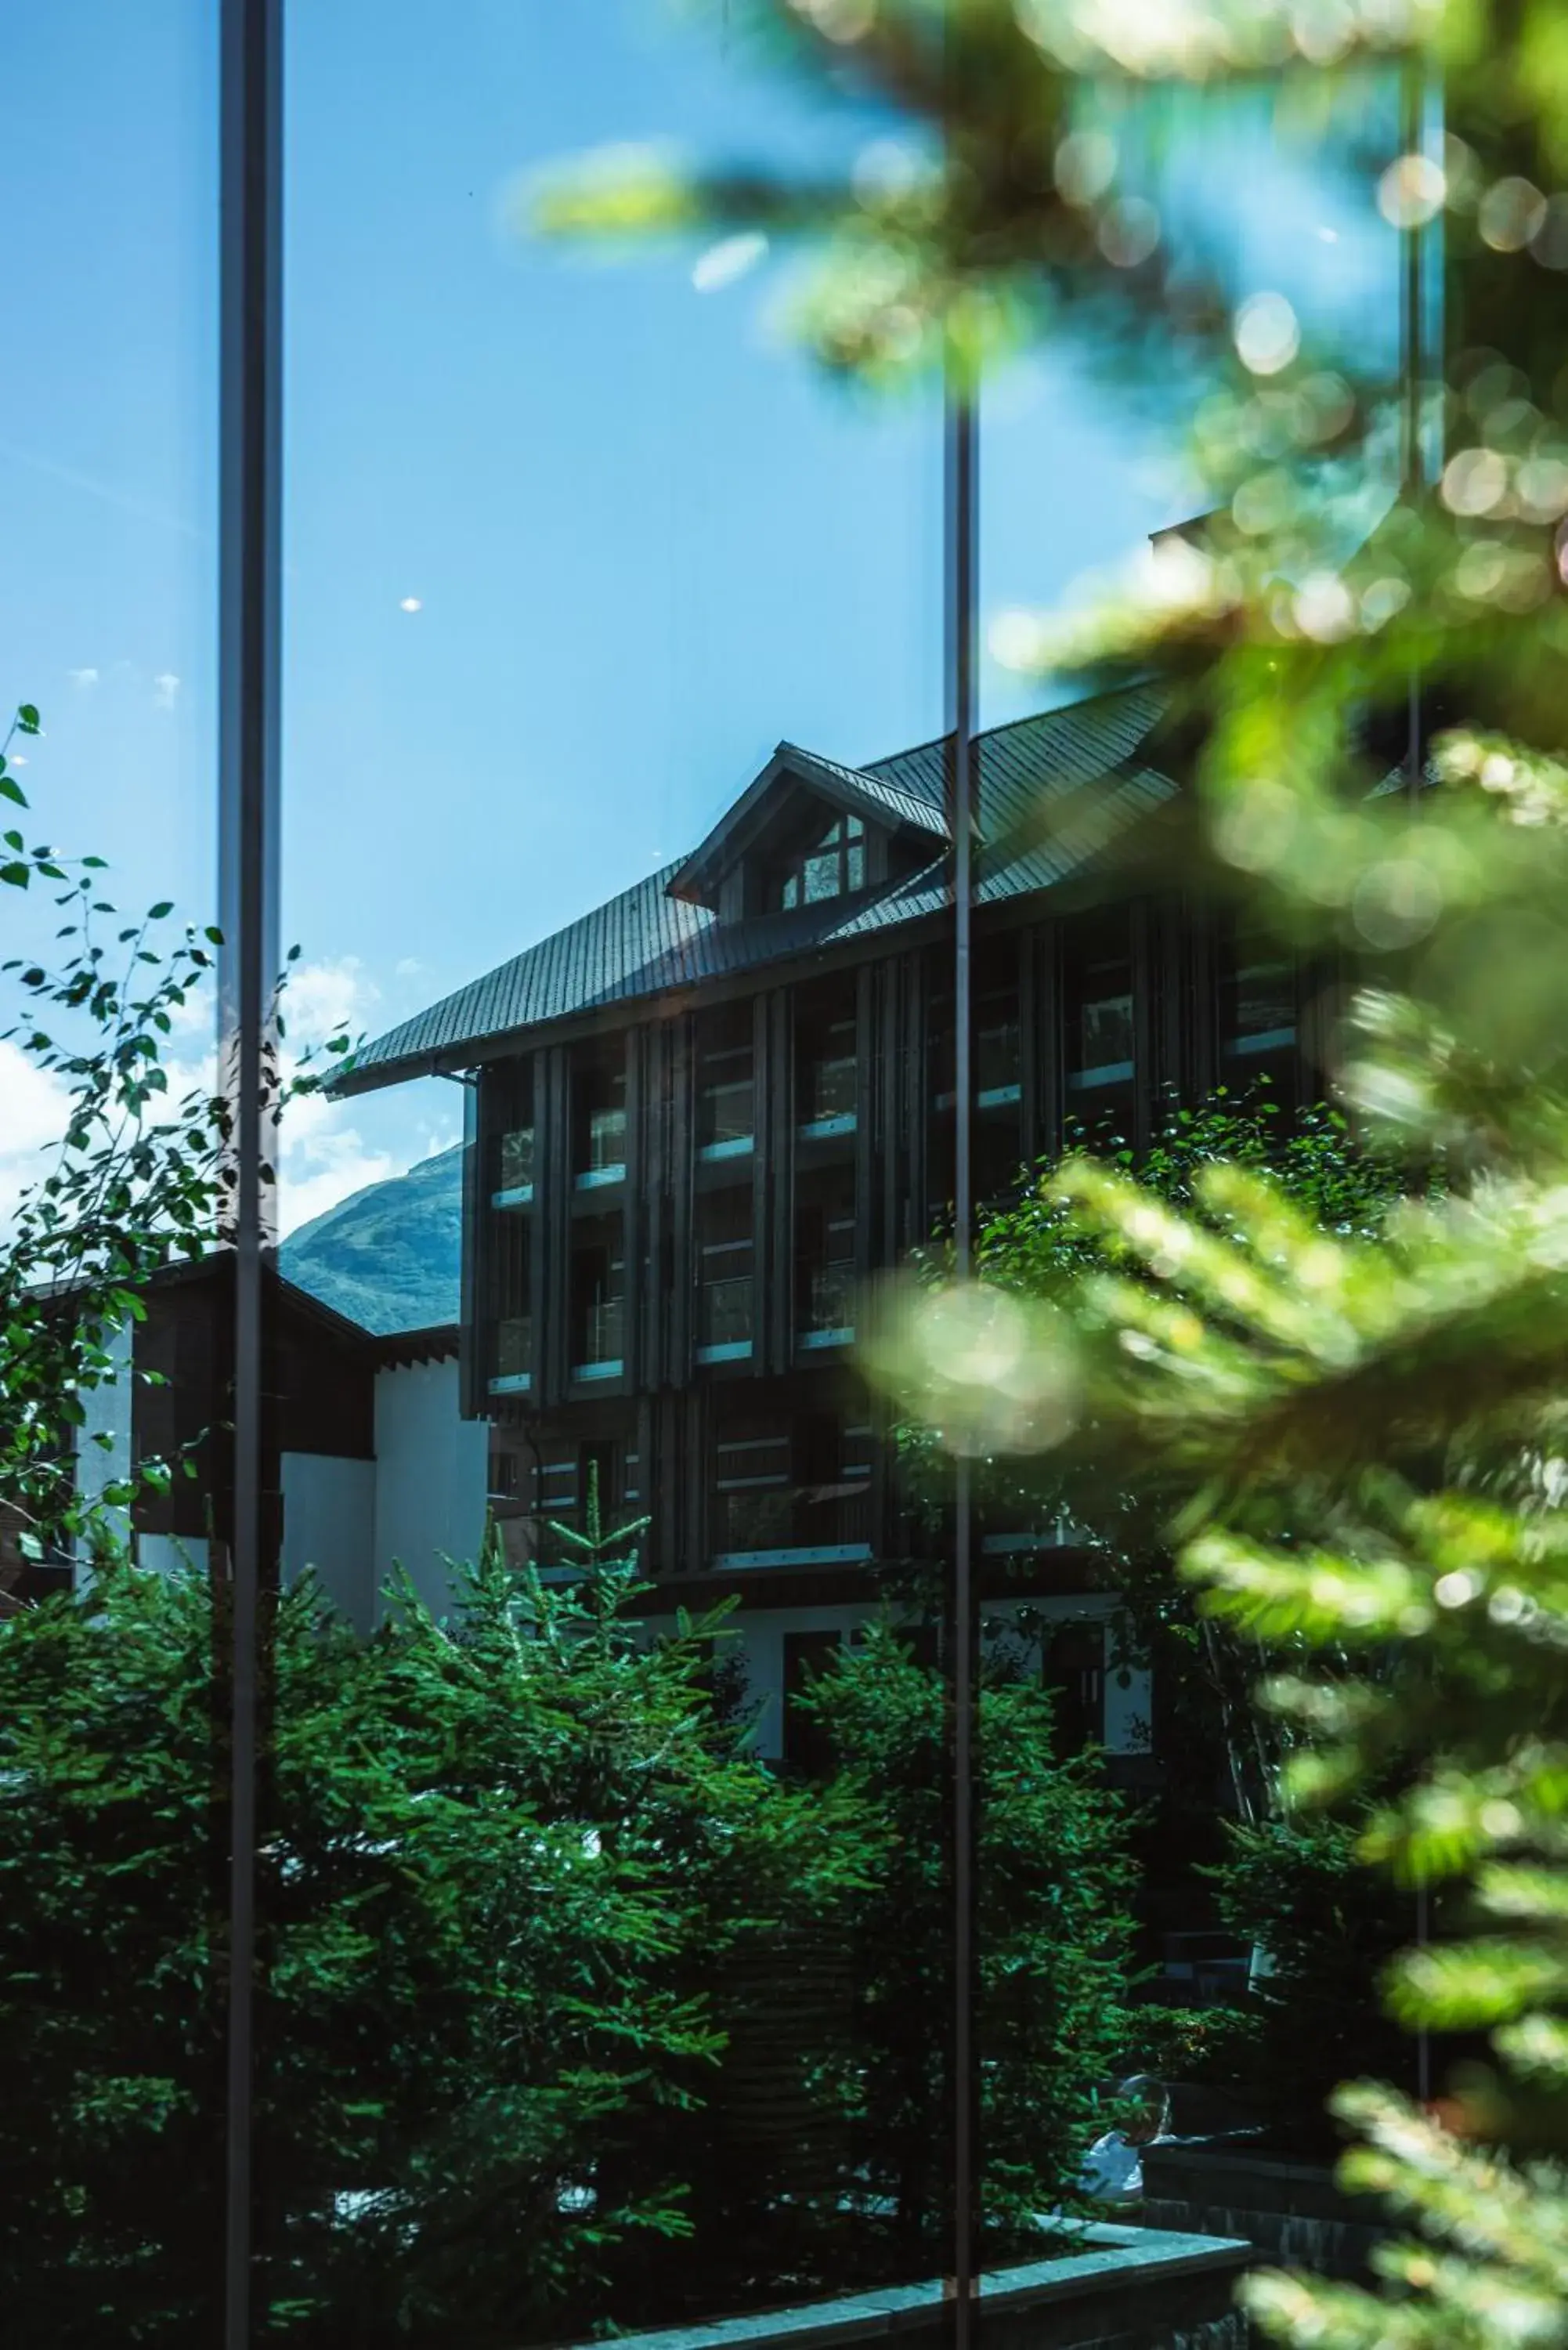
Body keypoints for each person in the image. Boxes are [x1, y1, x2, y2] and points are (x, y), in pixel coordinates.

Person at [1077, 2075, 1172, 2207]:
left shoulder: (1168, 2150)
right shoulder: (1106, 2148)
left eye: (1156, 2121)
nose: (1146, 2130)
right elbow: (1089, 2191)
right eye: (1139, 2122)